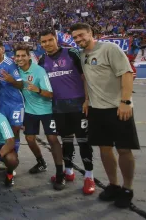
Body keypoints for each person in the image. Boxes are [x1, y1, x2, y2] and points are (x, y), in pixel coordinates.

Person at [71, 22, 139, 208]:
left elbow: (126, 74)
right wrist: (86, 100)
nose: (79, 40)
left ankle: (127, 188)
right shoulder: (83, 55)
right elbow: (87, 80)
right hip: (96, 109)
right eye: (75, 38)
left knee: (124, 149)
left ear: (90, 33)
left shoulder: (110, 48)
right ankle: (114, 185)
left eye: (81, 35)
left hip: (117, 108)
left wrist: (125, 102)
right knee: (104, 149)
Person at [38, 30, 95, 195]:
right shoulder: (42, 60)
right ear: (41, 44)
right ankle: (69, 171)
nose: (47, 44)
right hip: (58, 107)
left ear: (56, 39)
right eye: (44, 42)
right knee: (66, 141)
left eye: (50, 40)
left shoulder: (71, 52)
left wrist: (87, 100)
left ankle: (89, 177)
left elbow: (85, 77)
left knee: (83, 141)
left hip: (78, 105)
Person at [14, 44, 65, 190]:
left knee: (52, 139)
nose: (20, 58)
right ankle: (41, 162)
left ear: (29, 56)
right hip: (30, 111)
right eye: (18, 56)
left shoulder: (39, 71)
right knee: (30, 139)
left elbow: (50, 94)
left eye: (23, 55)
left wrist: (38, 89)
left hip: (47, 110)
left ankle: (60, 174)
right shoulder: (16, 71)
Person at [0, 39, 24, 155]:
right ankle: (5, 156)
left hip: (16, 103)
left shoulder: (10, 64)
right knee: (4, 131)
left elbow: (21, 84)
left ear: (3, 49)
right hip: (2, 103)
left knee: (15, 130)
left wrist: (11, 80)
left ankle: (14, 157)